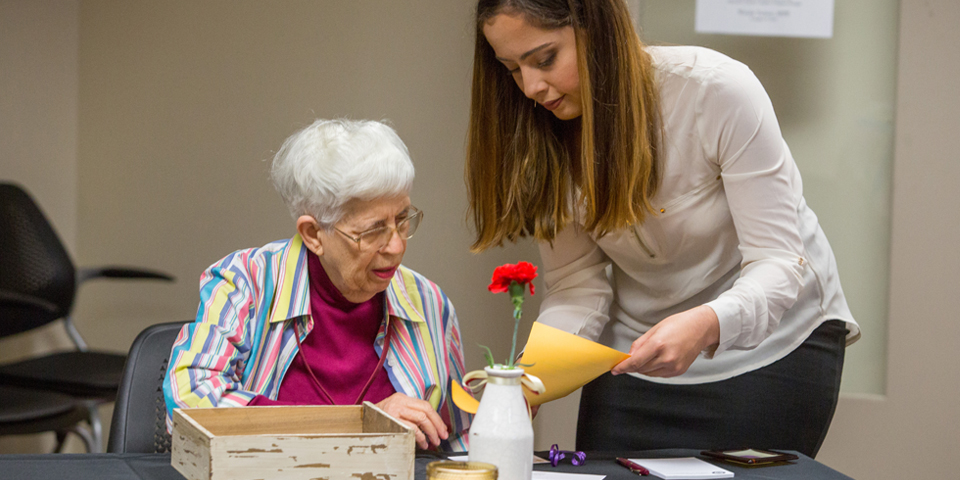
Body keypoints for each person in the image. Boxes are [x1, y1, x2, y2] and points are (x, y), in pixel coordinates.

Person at [466, 0, 860, 457]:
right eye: (512, 68)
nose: (531, 87)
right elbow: (576, 286)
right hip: (639, 355)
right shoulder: (542, 132)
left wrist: (708, 322)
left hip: (774, 344)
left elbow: (778, 263)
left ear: (597, 30)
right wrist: (529, 378)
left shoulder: (715, 91)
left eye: (545, 59)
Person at [163, 119, 470, 451]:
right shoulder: (247, 281)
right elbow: (189, 397)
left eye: (402, 219)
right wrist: (359, 424)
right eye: (372, 230)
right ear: (313, 234)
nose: (396, 247)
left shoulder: (429, 302)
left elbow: (458, 440)